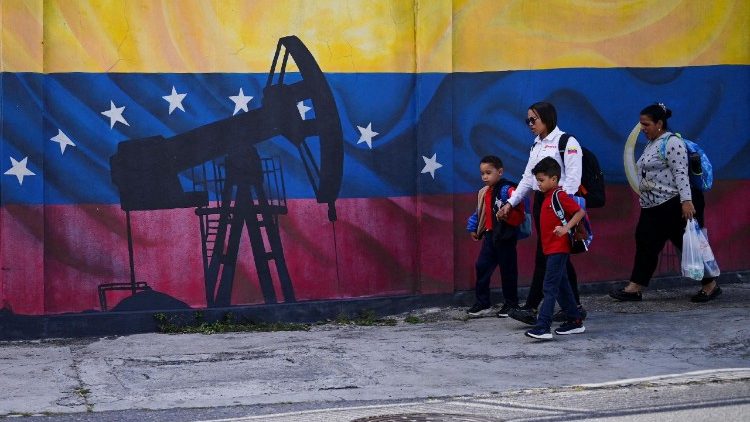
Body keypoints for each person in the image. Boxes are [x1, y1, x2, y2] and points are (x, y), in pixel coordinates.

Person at [610, 103, 720, 302]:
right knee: (645, 242)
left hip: (674, 204)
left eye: (646, 124)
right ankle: (635, 287)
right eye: (641, 124)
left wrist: (686, 201)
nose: (643, 128)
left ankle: (710, 285)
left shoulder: (671, 142)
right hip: (653, 206)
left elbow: (680, 173)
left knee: (690, 245)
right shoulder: (653, 143)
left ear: (659, 123)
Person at [497, 102, 586, 324]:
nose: (529, 124)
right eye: (527, 120)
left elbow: (573, 180)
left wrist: (559, 205)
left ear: (546, 118)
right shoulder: (536, 145)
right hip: (541, 203)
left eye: (533, 119)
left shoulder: (566, 142)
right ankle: (574, 307)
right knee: (557, 255)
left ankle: (532, 307)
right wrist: (511, 202)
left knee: (547, 254)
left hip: (557, 205)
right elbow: (528, 178)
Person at [524, 157, 586, 339]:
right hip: (550, 249)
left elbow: (579, 211)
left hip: (559, 249)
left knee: (549, 287)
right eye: (537, 180)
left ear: (554, 179)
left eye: (542, 180)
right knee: (561, 286)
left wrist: (566, 228)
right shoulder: (546, 197)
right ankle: (575, 321)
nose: (539, 184)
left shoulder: (559, 195)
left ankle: (543, 326)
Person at [466, 155, 520, 318]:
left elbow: (519, 207)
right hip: (490, 237)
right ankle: (483, 302)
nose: (485, 177)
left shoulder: (507, 190)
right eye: (482, 173)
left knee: (508, 271)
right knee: (482, 266)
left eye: (488, 173)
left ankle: (511, 304)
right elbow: (479, 212)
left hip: (505, 237)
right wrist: (473, 227)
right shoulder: (483, 192)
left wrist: (508, 212)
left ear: (500, 172)